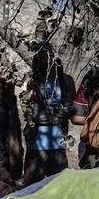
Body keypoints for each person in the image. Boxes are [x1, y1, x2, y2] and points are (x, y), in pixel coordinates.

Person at [23, 45, 83, 184]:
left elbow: (71, 110)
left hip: (58, 145)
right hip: (37, 145)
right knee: (32, 189)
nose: (47, 61)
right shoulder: (34, 82)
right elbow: (36, 115)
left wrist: (52, 111)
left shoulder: (66, 81)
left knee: (58, 187)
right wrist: (59, 113)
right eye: (43, 58)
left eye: (49, 57)